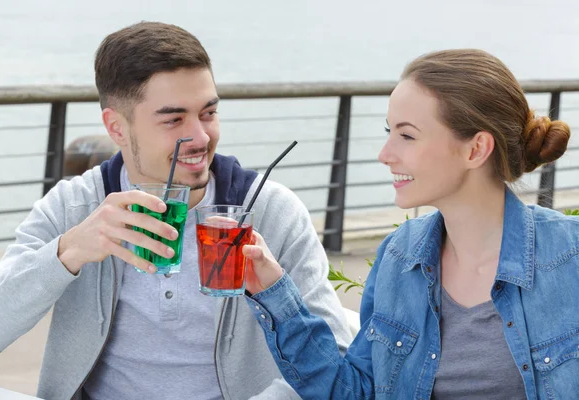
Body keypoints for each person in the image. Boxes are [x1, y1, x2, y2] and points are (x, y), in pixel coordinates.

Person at [0, 21, 352, 400]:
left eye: (208, 113)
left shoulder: (272, 211)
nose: (202, 137)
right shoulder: (74, 206)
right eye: (174, 119)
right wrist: (67, 252)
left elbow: (335, 354)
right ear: (117, 127)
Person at [242, 49, 578, 399]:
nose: (385, 154)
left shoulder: (569, 257)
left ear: (476, 149)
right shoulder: (399, 256)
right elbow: (354, 393)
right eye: (390, 132)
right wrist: (274, 289)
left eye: (407, 135)